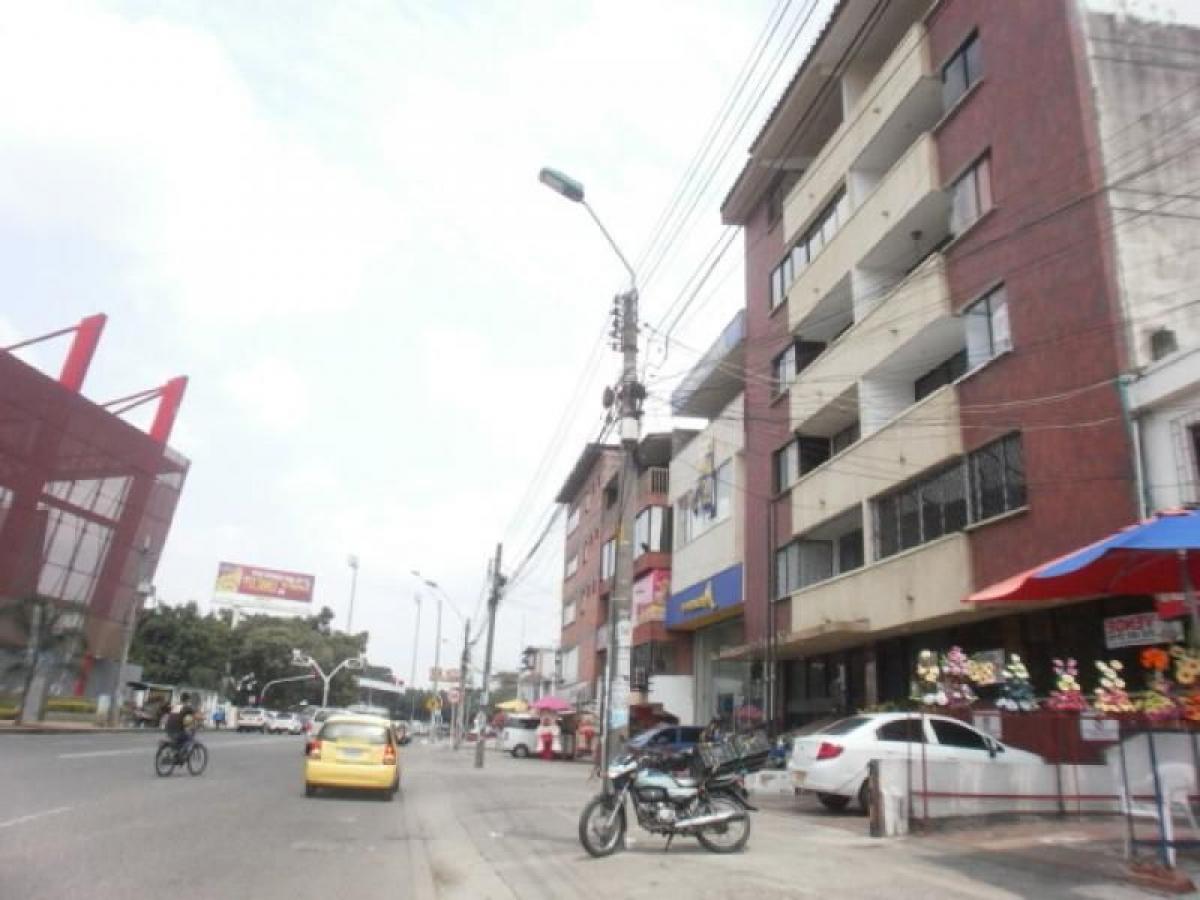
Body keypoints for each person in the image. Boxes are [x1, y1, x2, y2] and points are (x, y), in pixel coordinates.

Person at [165, 692, 198, 758]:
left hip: (168, 729)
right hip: (178, 731)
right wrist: (203, 718)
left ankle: (176, 752)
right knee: (190, 739)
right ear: (188, 699)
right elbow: (195, 716)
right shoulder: (187, 707)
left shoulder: (176, 706)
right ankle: (180, 754)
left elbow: (177, 717)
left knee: (180, 739)